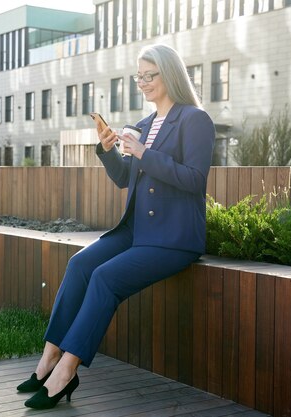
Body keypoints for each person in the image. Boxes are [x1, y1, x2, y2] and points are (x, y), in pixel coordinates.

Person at [19, 43, 216, 410]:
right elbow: (127, 178)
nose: (142, 82)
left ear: (169, 73)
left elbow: (194, 179)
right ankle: (47, 361)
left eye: (149, 75)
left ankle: (67, 372)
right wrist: (109, 150)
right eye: (138, 76)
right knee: (80, 265)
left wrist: (144, 153)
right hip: (135, 230)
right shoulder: (143, 124)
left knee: (105, 278)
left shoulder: (194, 119)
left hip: (173, 238)